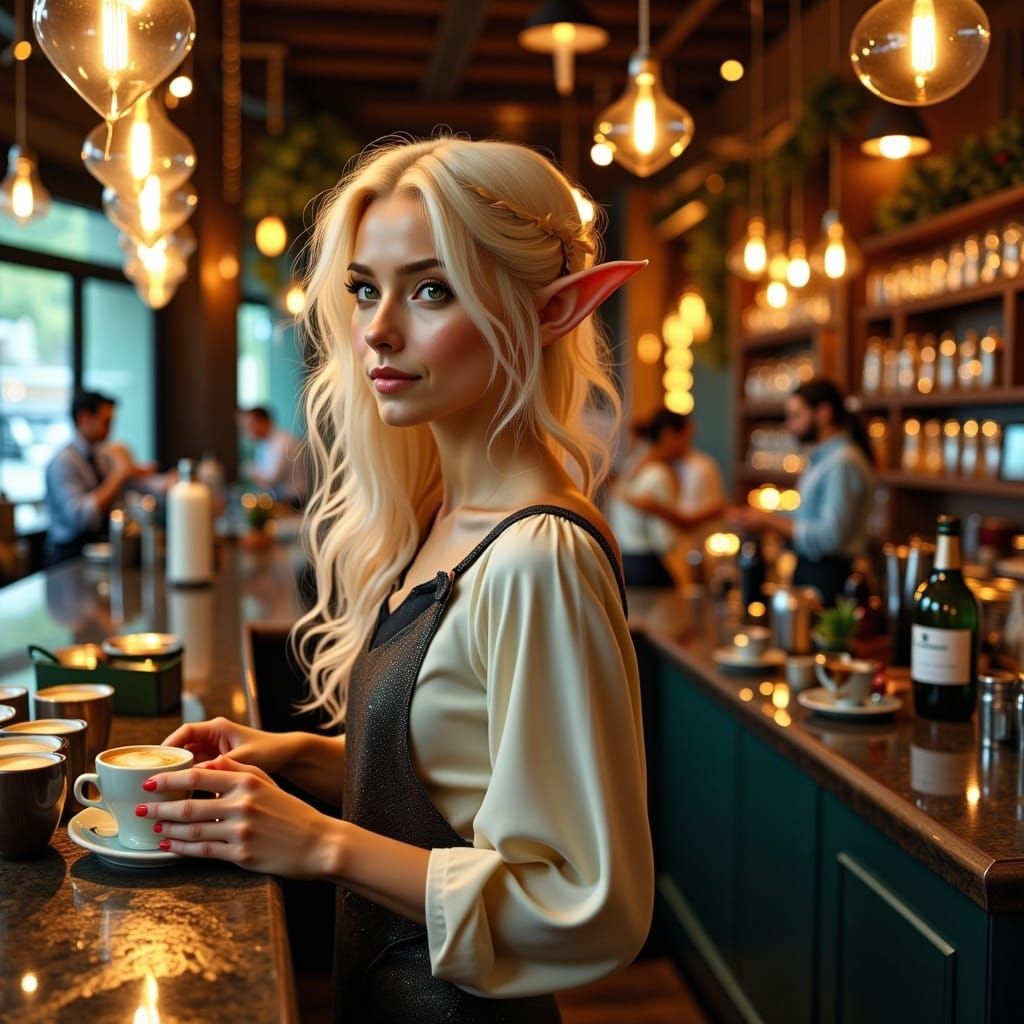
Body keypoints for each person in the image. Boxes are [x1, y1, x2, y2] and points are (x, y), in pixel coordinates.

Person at [140, 137, 654, 1022]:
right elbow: (457, 787)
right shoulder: (437, 521)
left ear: (556, 311)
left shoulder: (539, 558)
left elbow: (589, 905)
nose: (378, 328)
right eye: (365, 289)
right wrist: (299, 760)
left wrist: (323, 845)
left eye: (430, 289)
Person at [728, 377, 875, 606]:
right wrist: (760, 520)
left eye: (797, 415)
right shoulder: (821, 459)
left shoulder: (843, 461)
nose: (789, 425)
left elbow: (829, 537)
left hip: (832, 577)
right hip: (813, 570)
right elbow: (806, 518)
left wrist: (768, 522)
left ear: (824, 413)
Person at [43, 390, 150, 565]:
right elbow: (81, 517)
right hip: (69, 557)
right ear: (84, 418)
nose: (110, 429)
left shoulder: (101, 456)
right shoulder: (63, 462)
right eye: (106, 422)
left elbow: (135, 484)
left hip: (98, 551)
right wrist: (118, 475)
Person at [237, 405, 307, 506]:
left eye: (251, 425)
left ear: (264, 422)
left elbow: (272, 479)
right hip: (279, 500)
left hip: (293, 502)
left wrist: (248, 469)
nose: (248, 430)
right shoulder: (262, 443)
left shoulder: (283, 442)